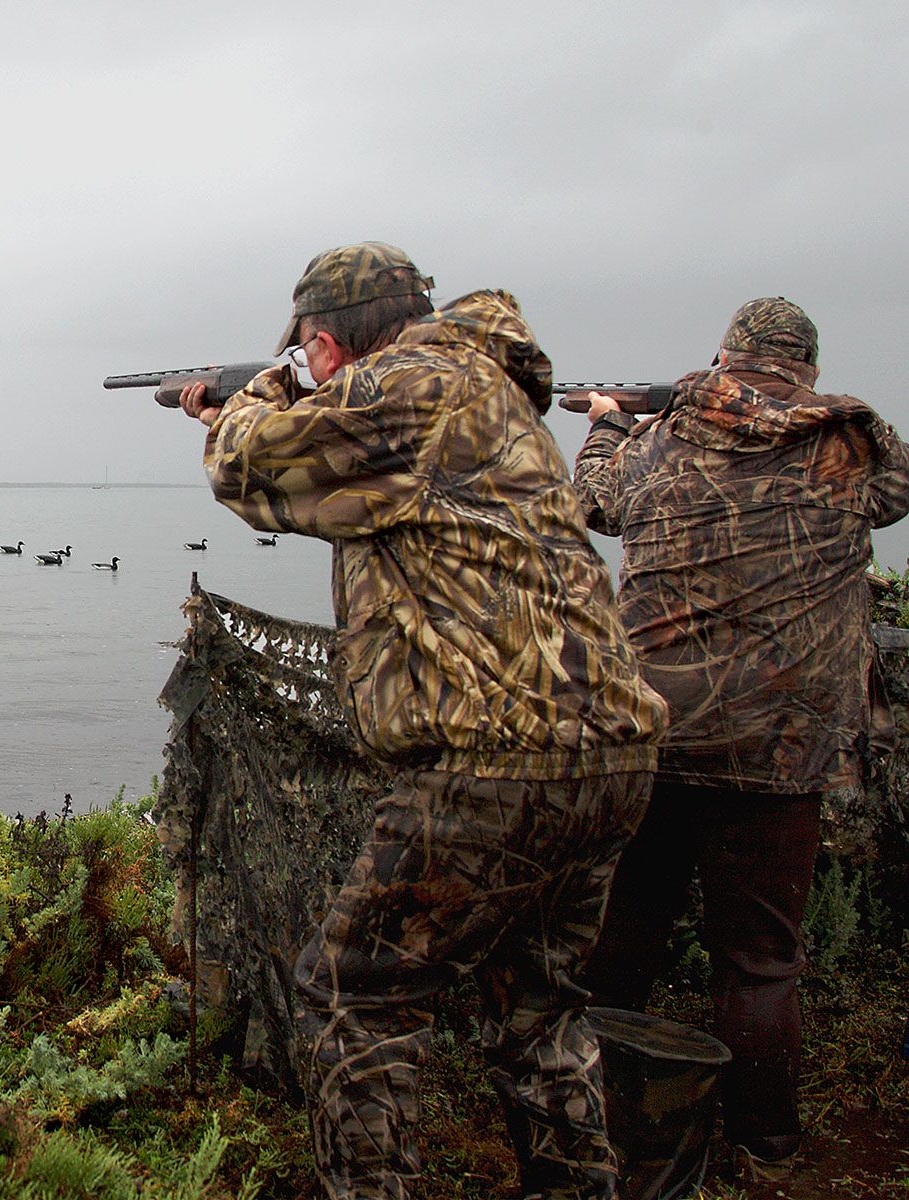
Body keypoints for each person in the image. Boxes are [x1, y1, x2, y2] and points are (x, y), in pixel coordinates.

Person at [178, 242, 668, 1200]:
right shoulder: (487, 387)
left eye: (311, 356)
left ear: (324, 345)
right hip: (608, 756)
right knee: (537, 1009)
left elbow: (250, 472)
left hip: (501, 764)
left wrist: (237, 402)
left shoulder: (412, 386)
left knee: (350, 995)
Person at [572, 297, 909, 1181]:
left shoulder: (661, 440)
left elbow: (593, 506)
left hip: (653, 738)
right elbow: (898, 490)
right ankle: (765, 1148)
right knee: (761, 963)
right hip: (783, 753)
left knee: (623, 937)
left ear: (725, 355)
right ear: (806, 367)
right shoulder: (846, 445)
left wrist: (610, 424)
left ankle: (599, 1118)